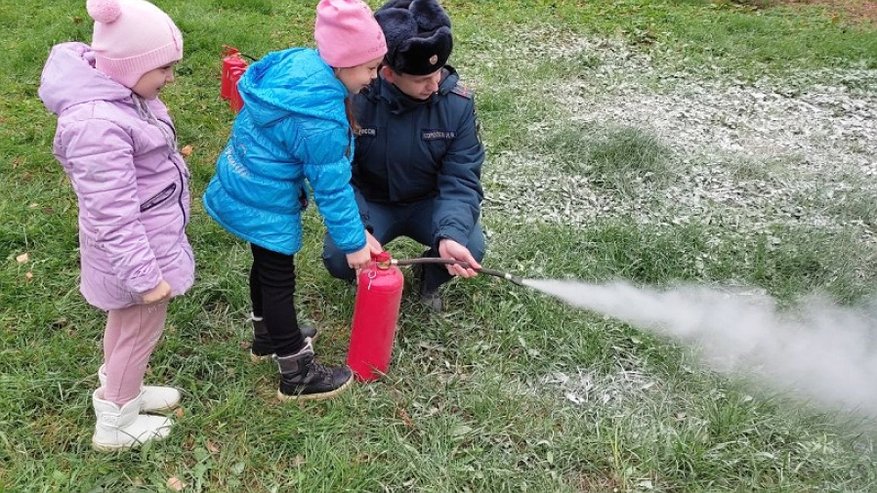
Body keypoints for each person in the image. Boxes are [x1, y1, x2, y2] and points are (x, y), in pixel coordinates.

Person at [202, 0, 386, 401]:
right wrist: (354, 243)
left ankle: (266, 337)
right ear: (341, 61)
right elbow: (333, 188)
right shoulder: (320, 118)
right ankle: (296, 370)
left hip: (244, 180)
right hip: (264, 197)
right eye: (370, 68)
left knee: (265, 264)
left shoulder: (301, 67)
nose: (374, 78)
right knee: (278, 275)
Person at [38, 0, 193, 451]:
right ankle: (115, 421)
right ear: (129, 65)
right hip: (135, 258)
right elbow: (113, 214)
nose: (169, 78)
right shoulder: (97, 125)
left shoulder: (123, 97)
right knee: (136, 331)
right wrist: (145, 277)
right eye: (162, 68)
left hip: (147, 243)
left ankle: (126, 387)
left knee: (129, 331)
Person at [321, 0, 486, 312]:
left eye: (438, 73)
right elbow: (338, 174)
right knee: (339, 256)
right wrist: (359, 229)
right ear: (388, 73)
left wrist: (450, 233)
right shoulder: (353, 101)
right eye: (422, 79)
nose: (435, 85)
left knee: (470, 245)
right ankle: (372, 274)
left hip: (429, 202)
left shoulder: (458, 106)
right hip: (374, 202)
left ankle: (429, 271)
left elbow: (461, 179)